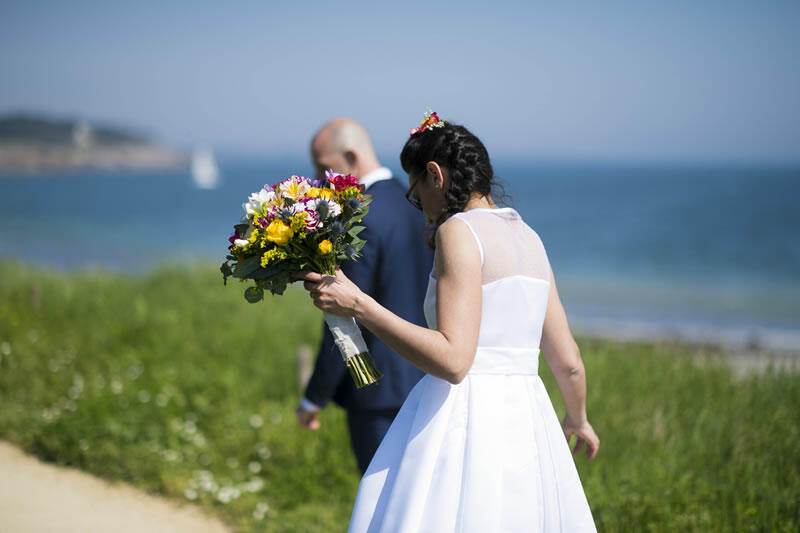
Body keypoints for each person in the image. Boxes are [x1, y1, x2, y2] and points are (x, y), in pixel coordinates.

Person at [298, 113, 599, 531]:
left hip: (465, 423)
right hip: (529, 425)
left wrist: (360, 305)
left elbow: (455, 360)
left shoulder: (458, 231)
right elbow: (569, 361)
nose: (417, 203)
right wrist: (577, 418)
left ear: (435, 175)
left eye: (416, 191)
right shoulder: (530, 237)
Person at [297, 118, 432, 475]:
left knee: (381, 509)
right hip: (430, 379)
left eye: (325, 167)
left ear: (352, 156)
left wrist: (315, 396)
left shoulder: (360, 217)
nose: (321, 179)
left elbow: (344, 314)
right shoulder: (419, 204)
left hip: (378, 391)